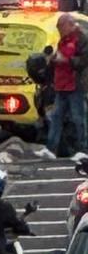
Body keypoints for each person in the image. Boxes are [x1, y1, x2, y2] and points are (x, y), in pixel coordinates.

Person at [47, 13, 88, 156]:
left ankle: (83, 149)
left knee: (79, 118)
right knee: (56, 116)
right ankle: (51, 148)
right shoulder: (63, 40)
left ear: (70, 25)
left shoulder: (81, 39)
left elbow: (84, 60)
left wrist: (67, 61)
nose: (59, 30)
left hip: (75, 84)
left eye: (61, 27)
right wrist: (53, 60)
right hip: (61, 84)